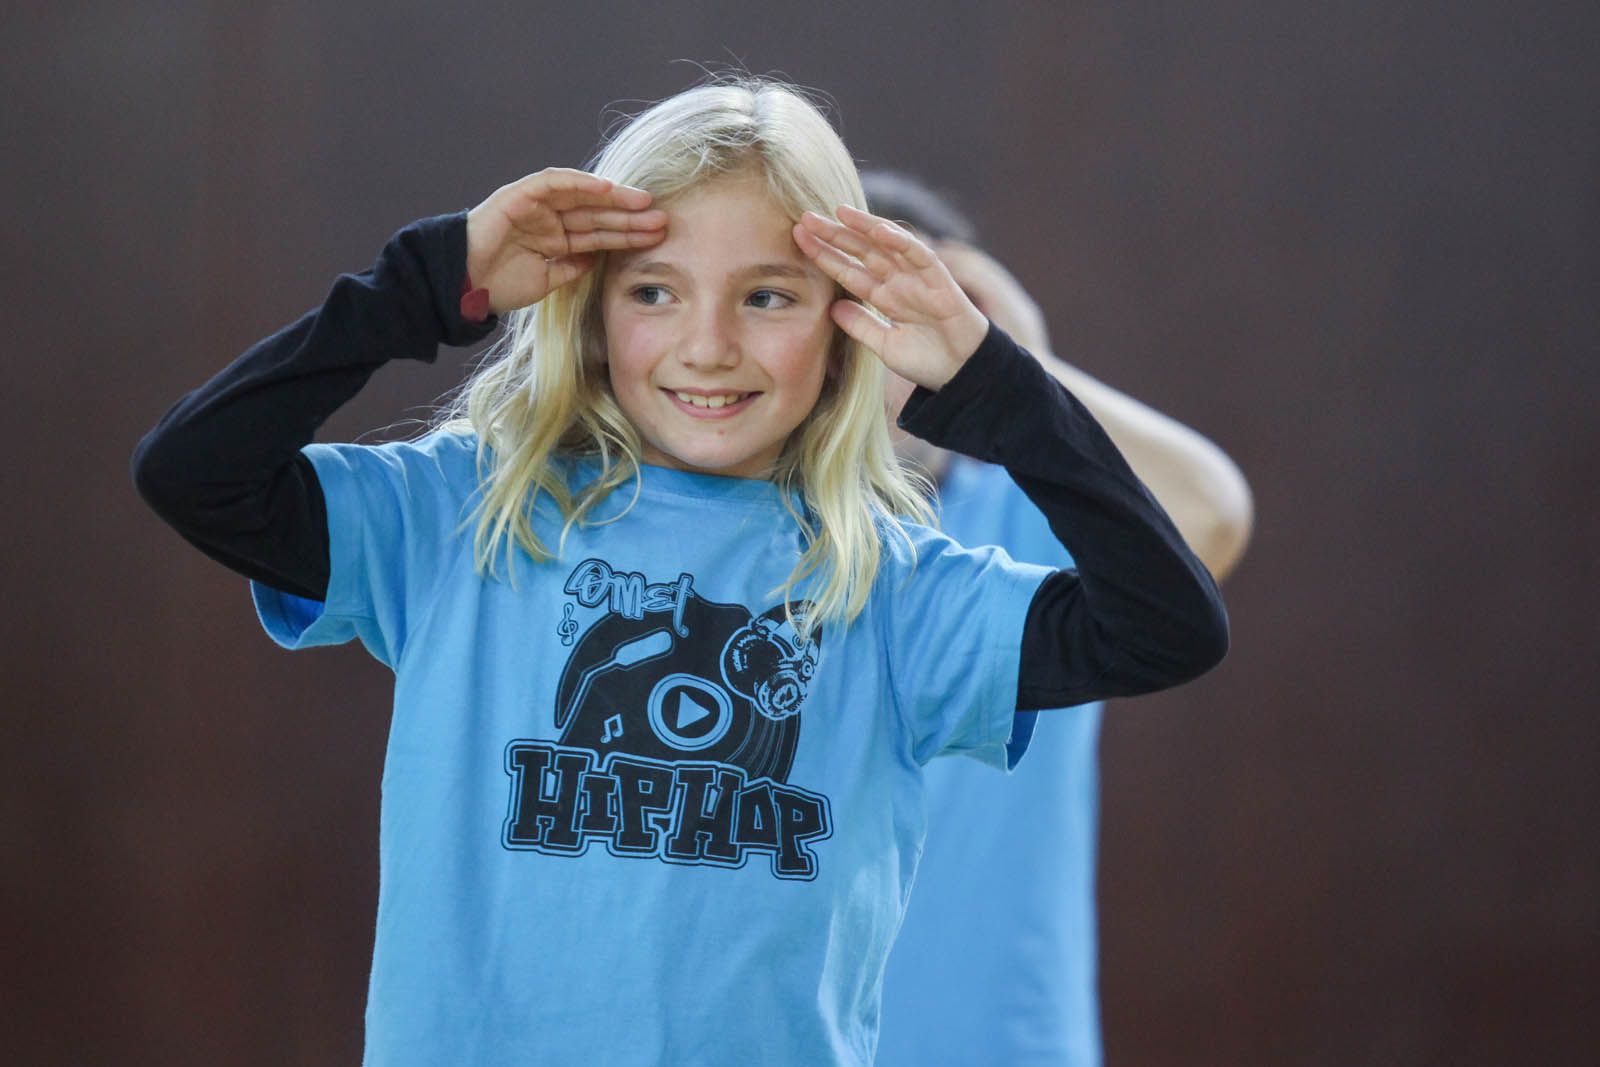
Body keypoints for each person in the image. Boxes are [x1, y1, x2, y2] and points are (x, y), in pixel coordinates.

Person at [131, 77, 1228, 1065]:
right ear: (593, 311)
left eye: (768, 296)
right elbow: (193, 473)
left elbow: (1168, 625)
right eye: (654, 291)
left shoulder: (891, 585)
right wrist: (427, 282)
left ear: (846, 333)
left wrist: (998, 384)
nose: (707, 345)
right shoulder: (460, 512)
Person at [863, 171, 1252, 1066]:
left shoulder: (1029, 512)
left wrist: (1016, 370)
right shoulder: (763, 531)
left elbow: (1212, 512)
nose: (894, 358)